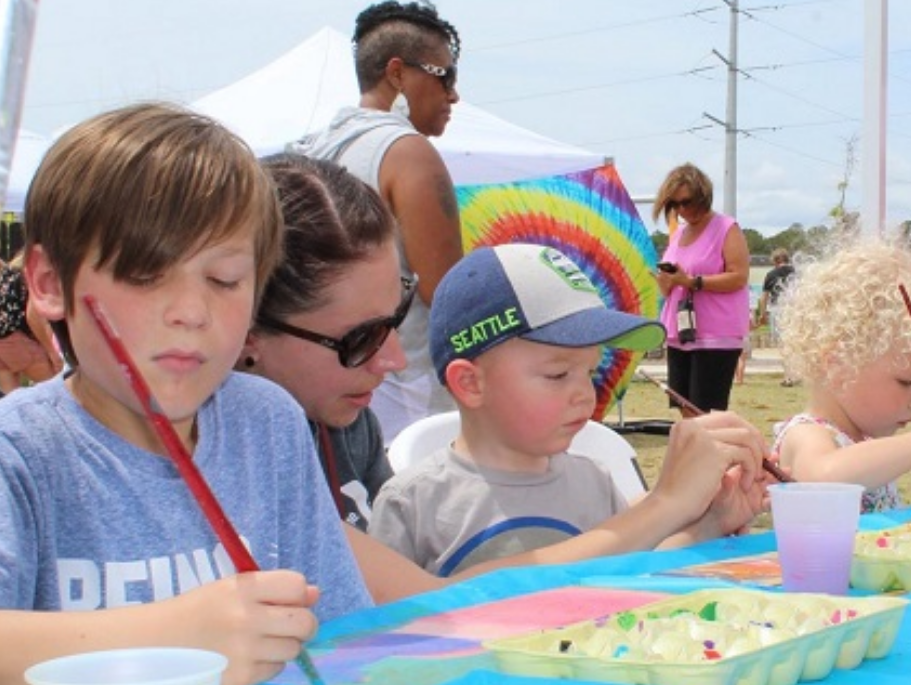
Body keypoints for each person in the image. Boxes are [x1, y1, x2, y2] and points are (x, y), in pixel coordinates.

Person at [0, 104, 372, 685]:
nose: (191, 311)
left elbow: (345, 636)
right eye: (144, 275)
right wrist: (168, 635)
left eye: (224, 279)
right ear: (49, 282)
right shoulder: (10, 453)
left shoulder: (266, 424)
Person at [246, 156, 771, 593]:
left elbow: (599, 565)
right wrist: (664, 504)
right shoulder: (257, 457)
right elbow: (434, 605)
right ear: (249, 329)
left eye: (395, 322)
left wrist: (701, 520)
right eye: (358, 338)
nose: (395, 360)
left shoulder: (349, 429)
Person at [366, 243, 768, 576]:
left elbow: (624, 565)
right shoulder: (413, 503)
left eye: (590, 372)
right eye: (558, 374)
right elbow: (385, 625)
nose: (585, 394)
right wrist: (667, 500)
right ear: (471, 383)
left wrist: (712, 520)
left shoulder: (594, 482)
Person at [292, 0, 464, 442]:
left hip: (325, 385)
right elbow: (447, 295)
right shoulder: (408, 154)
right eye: (445, 76)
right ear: (397, 73)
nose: (453, 94)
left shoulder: (315, 150)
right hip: (405, 389)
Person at [772, 236, 911, 513]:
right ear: (838, 365)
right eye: (906, 382)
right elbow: (822, 477)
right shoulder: (806, 434)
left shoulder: (865, 442)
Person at [652, 163, 751, 413]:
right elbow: (674, 283)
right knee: (684, 408)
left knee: (706, 413)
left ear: (703, 196)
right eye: (675, 204)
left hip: (715, 334)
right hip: (681, 332)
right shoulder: (678, 235)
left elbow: (739, 276)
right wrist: (666, 282)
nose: (683, 210)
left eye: (687, 202)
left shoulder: (726, 228)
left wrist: (693, 282)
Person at [0, 252, 64, 391]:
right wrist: (52, 353)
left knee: (10, 400)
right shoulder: (41, 273)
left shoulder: (12, 270)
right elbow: (34, 315)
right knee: (58, 391)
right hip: (17, 339)